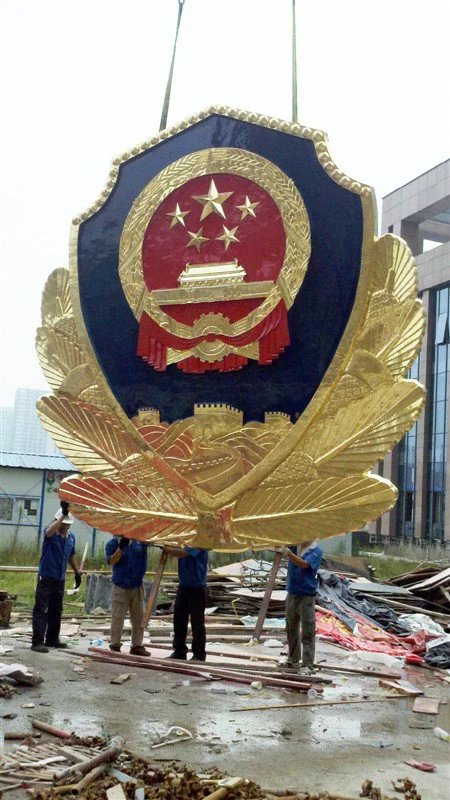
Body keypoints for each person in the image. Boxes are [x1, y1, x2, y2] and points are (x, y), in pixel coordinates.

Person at [31, 501, 82, 653]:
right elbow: (48, 532)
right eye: (63, 523)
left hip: (59, 579)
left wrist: (77, 572)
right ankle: (37, 642)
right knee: (41, 609)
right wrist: (62, 516)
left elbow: (71, 555)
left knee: (56, 610)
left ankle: (52, 639)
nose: (64, 526)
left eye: (66, 524)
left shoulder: (71, 538)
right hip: (46, 577)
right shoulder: (51, 533)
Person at [279, 540, 323, 675]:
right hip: (292, 593)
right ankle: (293, 659)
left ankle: (308, 665)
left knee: (307, 630)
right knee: (291, 627)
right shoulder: (295, 546)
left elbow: (304, 565)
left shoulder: (315, 551)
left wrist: (288, 554)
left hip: (306, 595)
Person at [105, 535, 150, 656]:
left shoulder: (139, 542)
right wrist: (120, 548)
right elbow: (111, 561)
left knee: (139, 617)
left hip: (137, 584)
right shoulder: (112, 544)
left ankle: (137, 645)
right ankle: (115, 645)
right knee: (118, 617)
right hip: (121, 585)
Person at [162, 546, 208, 661]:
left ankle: (199, 654)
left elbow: (181, 553)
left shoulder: (200, 542)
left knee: (197, 622)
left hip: (197, 586)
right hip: (184, 584)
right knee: (179, 619)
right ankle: (179, 650)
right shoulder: (183, 541)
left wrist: (165, 548)